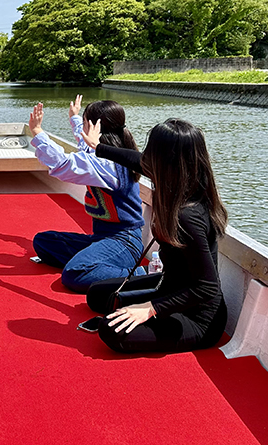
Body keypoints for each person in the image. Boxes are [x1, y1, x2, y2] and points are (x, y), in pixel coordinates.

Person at [82, 119, 229, 354]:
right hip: (169, 285)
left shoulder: (187, 215)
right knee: (97, 295)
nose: (145, 160)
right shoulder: (181, 180)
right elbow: (134, 160)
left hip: (198, 316)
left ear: (165, 161)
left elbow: (207, 287)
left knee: (110, 329)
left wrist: (150, 308)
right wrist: (97, 146)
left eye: (151, 154)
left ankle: (149, 308)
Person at [28, 96, 145, 293]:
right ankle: (98, 261)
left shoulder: (109, 165)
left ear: (94, 127)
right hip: (101, 238)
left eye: (84, 123)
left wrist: (38, 132)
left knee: (75, 273)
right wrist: (74, 117)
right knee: (43, 242)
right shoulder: (101, 155)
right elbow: (83, 143)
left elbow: (63, 165)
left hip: (124, 241)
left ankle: (142, 275)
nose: (82, 128)